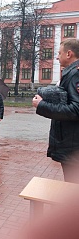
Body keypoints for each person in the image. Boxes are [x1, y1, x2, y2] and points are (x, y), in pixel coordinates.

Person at [32, 38, 79, 183]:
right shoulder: (70, 73)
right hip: (71, 143)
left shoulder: (75, 75)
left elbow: (76, 110)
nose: (57, 57)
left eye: (59, 53)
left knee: (73, 188)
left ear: (69, 54)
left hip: (73, 147)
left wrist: (41, 105)